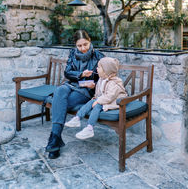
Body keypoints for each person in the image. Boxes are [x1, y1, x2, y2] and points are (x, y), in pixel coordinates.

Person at [45, 30, 104, 159]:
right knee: (60, 90)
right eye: (79, 45)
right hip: (72, 84)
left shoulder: (99, 56)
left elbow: (105, 77)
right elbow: (67, 73)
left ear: (90, 42)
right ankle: (55, 140)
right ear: (75, 45)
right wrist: (81, 74)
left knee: (59, 103)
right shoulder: (73, 54)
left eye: (85, 44)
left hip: (86, 91)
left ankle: (54, 140)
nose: (83, 48)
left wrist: (95, 85)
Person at [65, 57, 128, 139]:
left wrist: (98, 101)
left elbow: (110, 97)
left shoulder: (114, 83)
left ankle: (90, 128)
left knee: (97, 106)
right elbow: (99, 92)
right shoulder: (102, 79)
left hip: (115, 101)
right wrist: (95, 98)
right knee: (91, 102)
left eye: (99, 67)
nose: (96, 69)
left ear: (106, 70)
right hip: (103, 99)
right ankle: (77, 118)